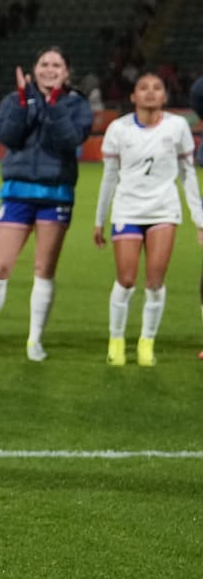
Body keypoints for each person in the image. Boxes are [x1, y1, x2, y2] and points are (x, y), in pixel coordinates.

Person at [0, 50, 93, 361]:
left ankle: (34, 341)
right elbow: (8, 136)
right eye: (44, 64)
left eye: (57, 64)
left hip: (56, 194)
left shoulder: (77, 104)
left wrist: (54, 103)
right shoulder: (15, 99)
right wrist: (22, 102)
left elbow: (70, 141)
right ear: (34, 69)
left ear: (66, 72)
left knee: (43, 270)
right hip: (17, 192)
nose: (49, 69)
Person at [92, 73, 202, 367]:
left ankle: (146, 341)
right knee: (126, 280)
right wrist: (99, 219)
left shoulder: (177, 127)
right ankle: (116, 339)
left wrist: (199, 219)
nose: (150, 93)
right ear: (133, 97)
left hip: (164, 211)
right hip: (127, 210)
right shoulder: (119, 129)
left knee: (154, 281)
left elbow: (187, 174)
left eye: (157, 88)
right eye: (143, 88)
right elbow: (109, 177)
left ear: (165, 97)